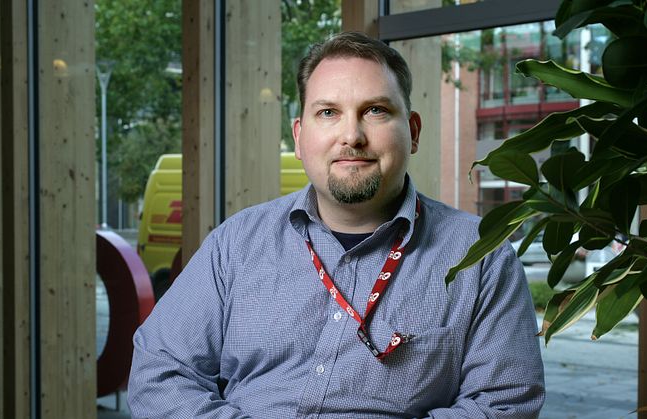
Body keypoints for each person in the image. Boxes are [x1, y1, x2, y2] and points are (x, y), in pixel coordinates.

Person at [128, 31, 545, 418]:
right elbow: (160, 373)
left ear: (413, 132)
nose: (352, 135)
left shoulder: (479, 255)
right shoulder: (236, 243)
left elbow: (504, 403)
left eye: (375, 111)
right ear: (299, 136)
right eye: (328, 112)